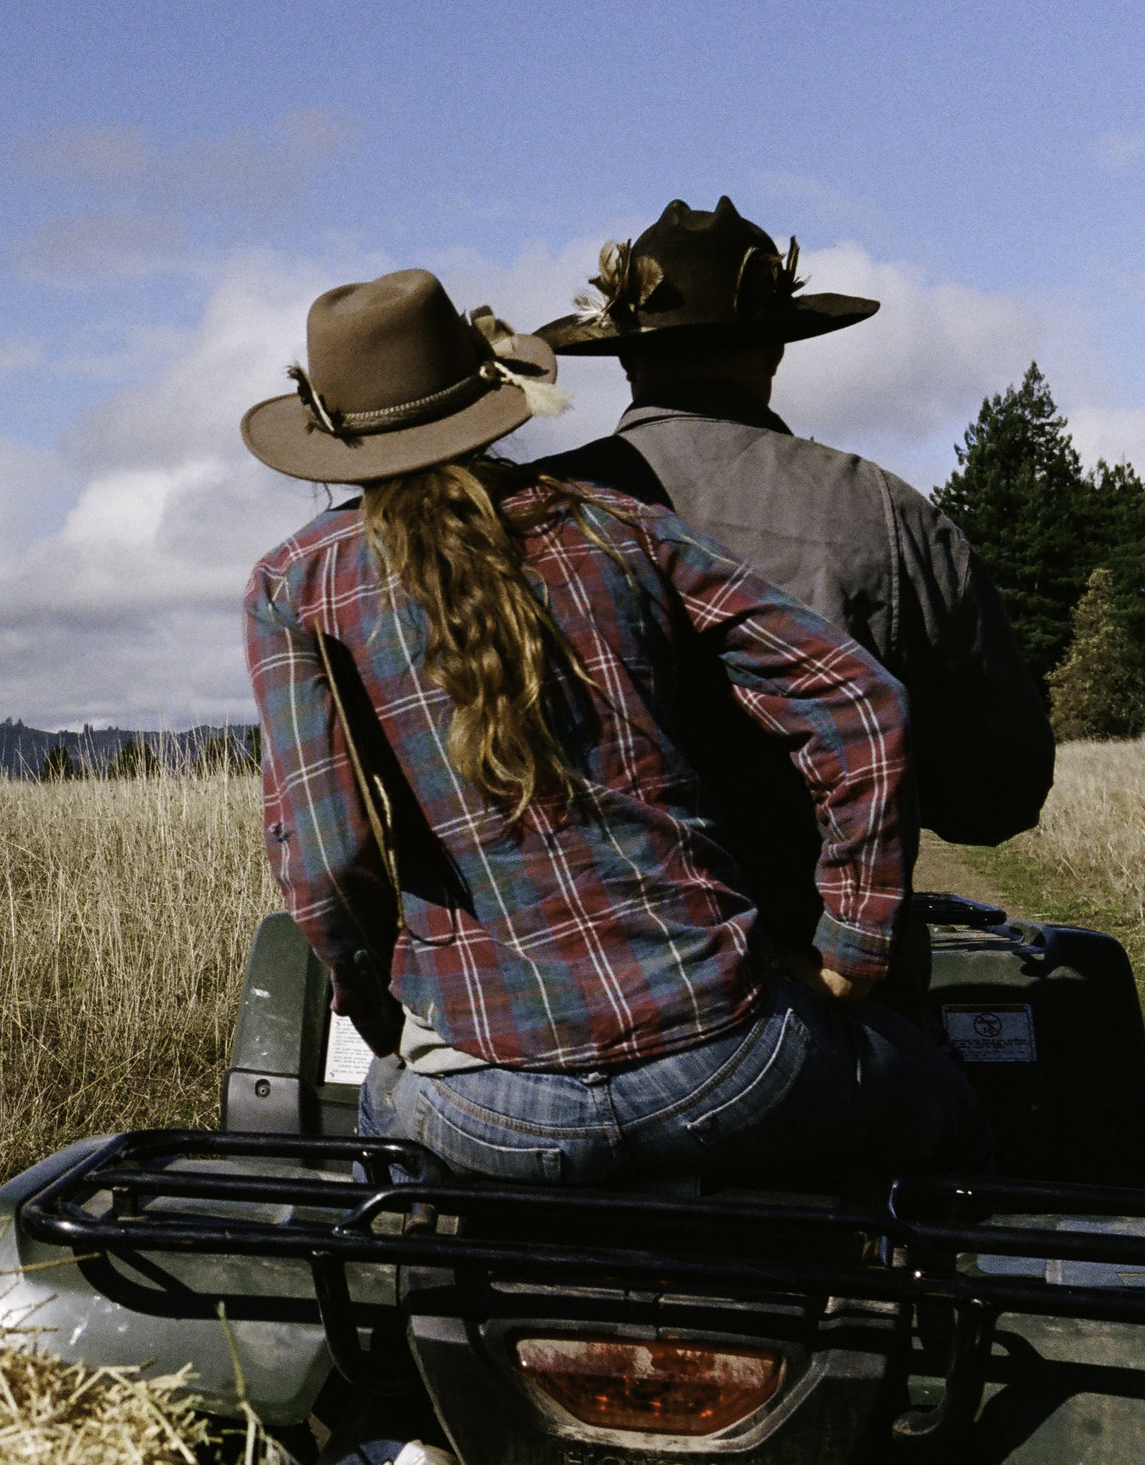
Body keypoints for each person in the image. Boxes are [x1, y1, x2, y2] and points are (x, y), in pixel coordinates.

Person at [241, 268, 987, 1186]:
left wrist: (373, 1009)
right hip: (731, 1066)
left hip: (486, 1108)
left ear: (331, 434)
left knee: (386, 1155)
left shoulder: (295, 586)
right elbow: (861, 704)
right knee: (947, 1110)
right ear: (492, 394)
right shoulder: (617, 526)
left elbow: (325, 861)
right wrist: (851, 951)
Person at [534, 197, 1053, 969]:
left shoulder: (517, 515)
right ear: (775, 350)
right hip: (830, 993)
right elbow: (996, 797)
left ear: (621, 355)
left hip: (569, 997)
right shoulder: (888, 514)